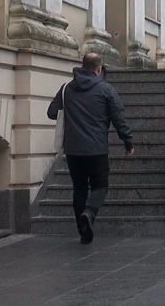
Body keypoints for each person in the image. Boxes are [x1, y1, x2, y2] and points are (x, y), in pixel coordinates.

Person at [47, 53, 134, 245]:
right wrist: (128, 142)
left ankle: (83, 231)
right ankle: (90, 213)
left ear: (82, 66)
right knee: (100, 186)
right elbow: (119, 118)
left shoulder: (66, 89)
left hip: (72, 150)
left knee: (79, 190)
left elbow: (52, 112)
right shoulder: (106, 89)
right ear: (98, 69)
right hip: (97, 149)